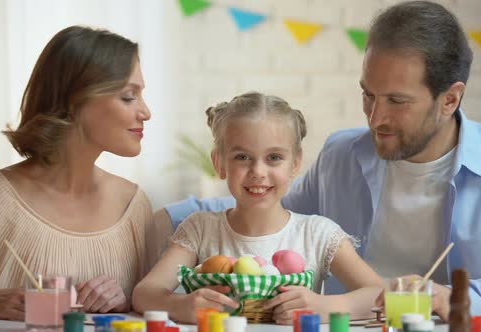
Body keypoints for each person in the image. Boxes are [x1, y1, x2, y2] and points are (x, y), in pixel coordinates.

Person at [160, 1, 481, 320]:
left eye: (396, 101)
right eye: (368, 94)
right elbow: (266, 205)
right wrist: (152, 217)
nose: (375, 117)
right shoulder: (342, 155)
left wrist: (460, 297)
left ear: (449, 100)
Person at [0, 26, 172, 320]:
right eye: (128, 97)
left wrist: (124, 302)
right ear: (74, 101)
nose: (146, 112)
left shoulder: (134, 205)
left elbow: (148, 310)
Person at [133, 92, 385, 324]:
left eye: (274, 158)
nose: (258, 172)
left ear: (295, 163)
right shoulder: (200, 229)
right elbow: (145, 293)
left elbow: (378, 294)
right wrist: (180, 305)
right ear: (219, 163)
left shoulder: (318, 234)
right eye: (242, 157)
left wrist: (321, 306)